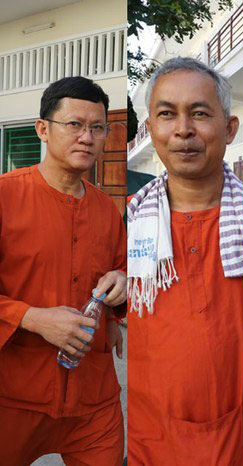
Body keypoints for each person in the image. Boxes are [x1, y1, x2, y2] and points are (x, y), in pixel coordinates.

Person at [126, 57, 243, 465]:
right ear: (151, 129)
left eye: (199, 113)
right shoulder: (128, 222)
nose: (183, 130)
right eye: (167, 114)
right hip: (154, 438)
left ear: (229, 129)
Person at [0, 77, 126, 465]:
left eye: (97, 127)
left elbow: (122, 271)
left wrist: (123, 283)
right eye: (74, 125)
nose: (87, 137)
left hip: (94, 397)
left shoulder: (107, 210)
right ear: (43, 129)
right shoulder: (6, 196)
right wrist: (33, 318)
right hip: (14, 392)